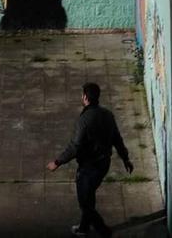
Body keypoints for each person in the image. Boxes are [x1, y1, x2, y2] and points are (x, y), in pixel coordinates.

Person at [47, 81, 133, 236]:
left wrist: (57, 162)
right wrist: (125, 159)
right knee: (89, 196)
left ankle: (103, 231)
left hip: (88, 168)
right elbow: (117, 139)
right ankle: (83, 228)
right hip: (103, 164)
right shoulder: (107, 115)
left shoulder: (84, 119)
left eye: (82, 95)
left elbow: (75, 146)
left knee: (85, 203)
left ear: (85, 97)